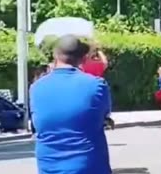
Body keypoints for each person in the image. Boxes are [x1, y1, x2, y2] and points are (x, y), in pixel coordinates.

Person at [30, 35, 112, 174]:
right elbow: (105, 113)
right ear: (83, 58)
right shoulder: (96, 85)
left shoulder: (36, 87)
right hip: (89, 165)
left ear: (55, 56)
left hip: (49, 166)